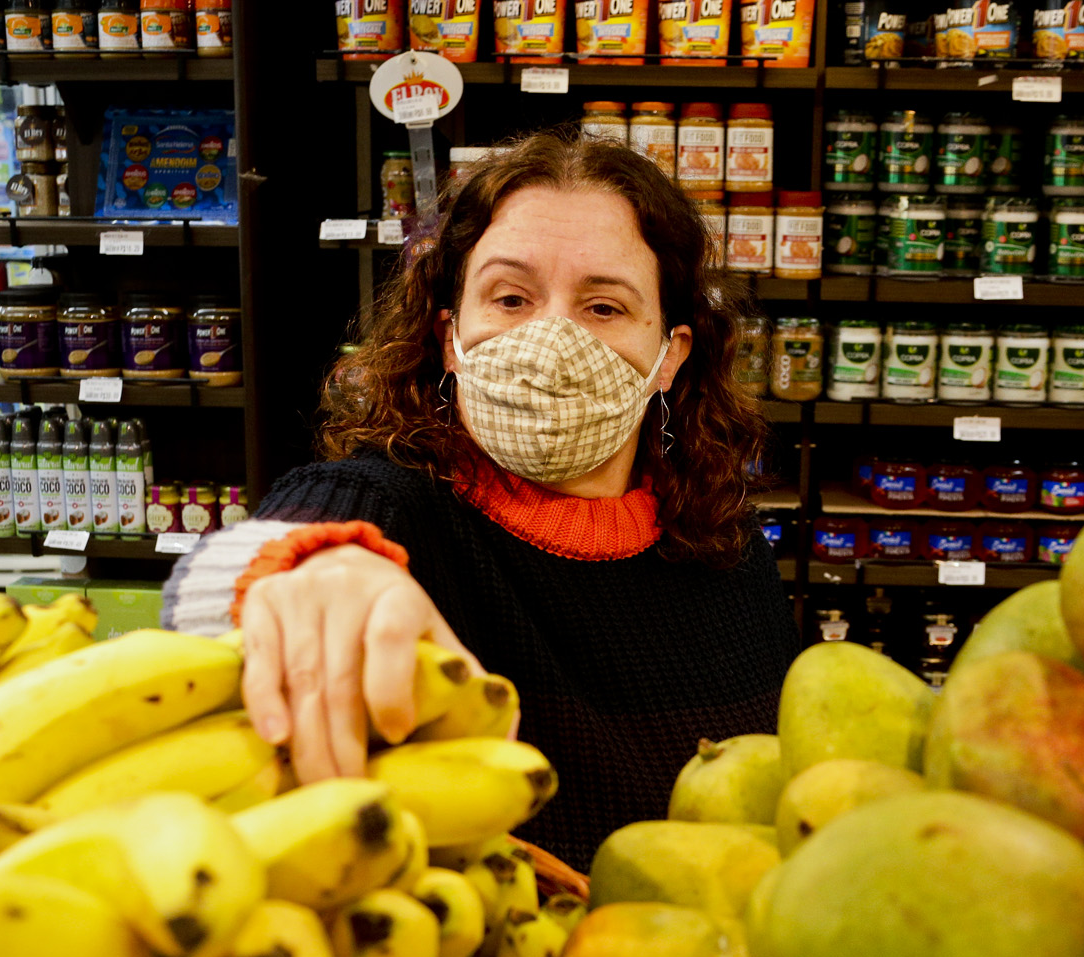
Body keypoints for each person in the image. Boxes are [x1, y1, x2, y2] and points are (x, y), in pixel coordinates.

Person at [164, 129, 796, 869]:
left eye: (603, 308)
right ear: (450, 336)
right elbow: (249, 568)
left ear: (671, 356)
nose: (552, 337)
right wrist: (315, 567)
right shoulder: (393, 510)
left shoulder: (724, 542)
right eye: (510, 297)